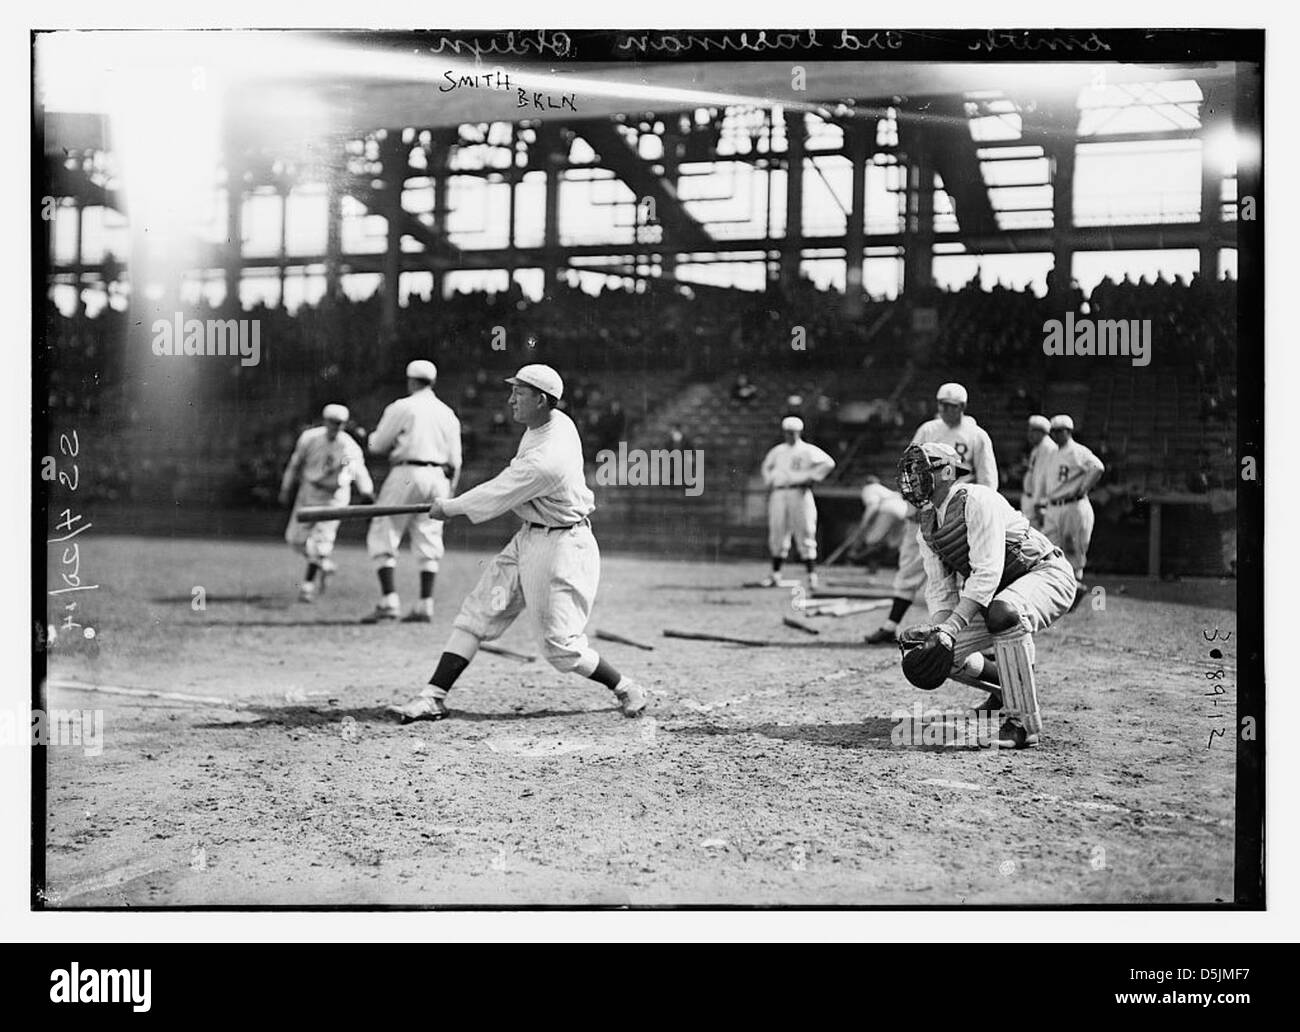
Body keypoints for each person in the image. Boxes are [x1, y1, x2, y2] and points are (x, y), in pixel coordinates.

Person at [388, 364, 648, 723]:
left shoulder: (547, 459)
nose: (510, 400)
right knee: (476, 613)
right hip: (530, 536)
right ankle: (433, 696)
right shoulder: (551, 422)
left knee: (560, 649)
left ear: (542, 401)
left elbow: (500, 491)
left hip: (561, 549)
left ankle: (625, 686)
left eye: (519, 394)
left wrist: (449, 507)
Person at [894, 442, 1077, 749]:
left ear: (948, 472)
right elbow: (941, 589)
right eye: (910, 471)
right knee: (931, 651)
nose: (913, 478)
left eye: (922, 469)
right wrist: (941, 631)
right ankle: (1007, 690)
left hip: (1044, 574)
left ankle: (1023, 724)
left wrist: (951, 629)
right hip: (999, 594)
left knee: (1003, 615)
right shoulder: (927, 525)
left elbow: (987, 573)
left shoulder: (978, 499)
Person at [866, 382, 998, 644]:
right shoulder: (929, 429)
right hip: (927, 506)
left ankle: (976, 637)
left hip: (962, 510)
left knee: (970, 570)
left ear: (962, 407)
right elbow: (911, 467)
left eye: (951, 406)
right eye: (942, 405)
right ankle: (890, 625)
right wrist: (912, 505)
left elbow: (988, 478)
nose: (946, 410)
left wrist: (980, 510)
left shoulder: (977, 435)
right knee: (911, 565)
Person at [361, 359, 463, 624]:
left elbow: (378, 445)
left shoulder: (403, 406)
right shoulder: (447, 413)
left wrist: (368, 437)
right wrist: (448, 498)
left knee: (384, 528)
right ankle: (424, 604)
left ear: (411, 380)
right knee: (428, 535)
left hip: (408, 472)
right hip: (439, 477)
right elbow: (456, 461)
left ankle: (388, 601)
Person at [279, 404, 374, 603]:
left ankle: (307, 586)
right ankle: (325, 565)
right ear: (325, 421)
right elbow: (295, 464)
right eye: (332, 422)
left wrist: (366, 492)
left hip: (334, 496)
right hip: (309, 492)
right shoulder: (309, 438)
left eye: (339, 424)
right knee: (295, 540)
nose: (335, 427)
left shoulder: (348, 447)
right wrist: (286, 487)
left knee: (322, 541)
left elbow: (357, 472)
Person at [759, 416, 836, 589]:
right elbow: (766, 467)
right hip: (779, 492)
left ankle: (811, 576)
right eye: (787, 432)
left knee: (805, 529)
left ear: (799, 432)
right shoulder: (778, 451)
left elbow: (828, 463)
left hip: (799, 491)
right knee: (778, 530)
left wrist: (812, 477)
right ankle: (775, 574)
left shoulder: (808, 450)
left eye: (792, 433)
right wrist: (770, 480)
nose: (789, 436)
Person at [1041, 414, 1106, 606]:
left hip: (1073, 505)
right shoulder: (1052, 452)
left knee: (1073, 551)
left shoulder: (1078, 450)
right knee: (1049, 549)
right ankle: (1056, 594)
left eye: (1060, 431)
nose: (1056, 435)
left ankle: (1072, 596)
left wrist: (1084, 487)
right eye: (1053, 431)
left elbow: (1098, 467)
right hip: (1054, 506)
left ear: (1069, 432)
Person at [1019, 414, 1058, 528]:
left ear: (1041, 432)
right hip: (1030, 499)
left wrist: (1038, 503)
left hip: (1036, 502)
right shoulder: (1038, 448)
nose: (1029, 435)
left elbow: (1041, 477)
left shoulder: (1047, 448)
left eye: (1032, 431)